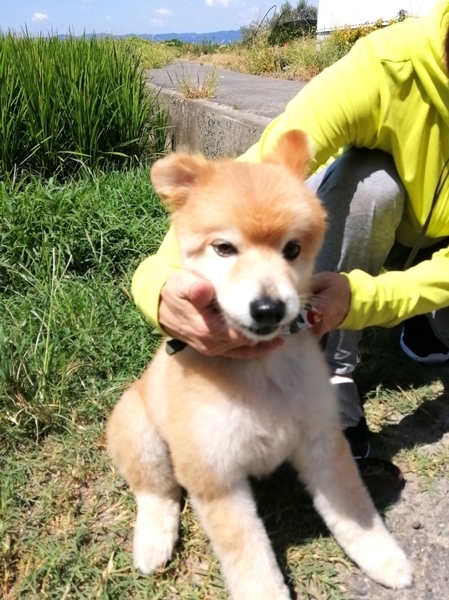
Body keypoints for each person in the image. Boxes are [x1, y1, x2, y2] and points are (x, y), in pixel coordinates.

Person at [131, 1, 449, 463]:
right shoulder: (386, 67)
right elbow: (255, 174)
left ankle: (422, 323)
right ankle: (332, 367)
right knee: (370, 183)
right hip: (393, 222)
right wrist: (158, 286)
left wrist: (366, 298)